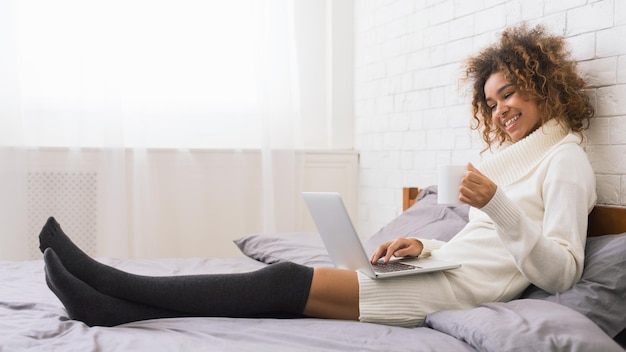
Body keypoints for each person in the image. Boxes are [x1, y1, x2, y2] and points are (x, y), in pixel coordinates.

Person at [40, 23, 597, 328]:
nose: (500, 109)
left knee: (281, 282)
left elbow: (563, 275)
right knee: (285, 281)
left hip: (456, 294)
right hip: (440, 271)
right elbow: (482, 243)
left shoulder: (565, 160)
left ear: (543, 85)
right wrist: (422, 244)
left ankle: (110, 283)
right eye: (492, 100)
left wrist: (497, 203)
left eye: (509, 93)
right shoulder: (513, 158)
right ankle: (105, 304)